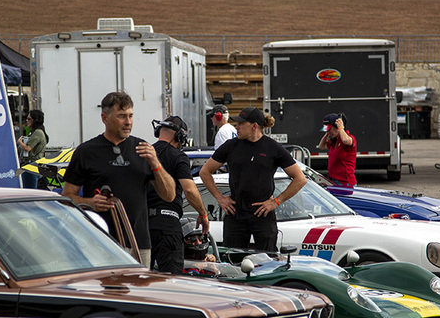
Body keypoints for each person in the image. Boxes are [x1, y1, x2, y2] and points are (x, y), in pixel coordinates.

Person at [62, 91, 175, 268]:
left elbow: (169, 195)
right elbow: (67, 197)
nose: (128, 122)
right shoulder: (86, 152)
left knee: (138, 287)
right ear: (104, 118)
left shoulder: (143, 149)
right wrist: (90, 203)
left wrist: (156, 164)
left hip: (138, 244)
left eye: (130, 116)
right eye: (122, 116)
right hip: (99, 243)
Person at [199, 106, 306, 251]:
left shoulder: (273, 148)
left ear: (254, 126)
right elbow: (205, 172)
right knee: (232, 259)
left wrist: (276, 202)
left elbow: (300, 179)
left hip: (263, 213)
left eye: (241, 124)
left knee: (268, 259)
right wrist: (220, 198)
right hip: (235, 213)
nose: (236, 127)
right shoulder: (231, 146)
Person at [147, 116, 210, 274]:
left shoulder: (145, 154)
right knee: (171, 280)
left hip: (142, 225)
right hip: (168, 226)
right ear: (180, 136)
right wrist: (203, 214)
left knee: (141, 279)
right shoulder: (178, 156)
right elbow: (189, 190)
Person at [317, 112, 357, 187]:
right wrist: (327, 133)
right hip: (333, 180)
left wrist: (341, 128)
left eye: (330, 129)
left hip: (345, 182)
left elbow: (345, 140)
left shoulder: (349, 138)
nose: (328, 132)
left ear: (337, 127)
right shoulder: (334, 142)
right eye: (327, 130)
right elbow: (321, 146)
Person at [18, 109, 48, 189]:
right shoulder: (35, 132)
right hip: (35, 166)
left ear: (36, 120)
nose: (26, 121)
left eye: (29, 119)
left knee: (29, 192)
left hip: (32, 166)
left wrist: (20, 142)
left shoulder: (38, 132)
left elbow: (27, 148)